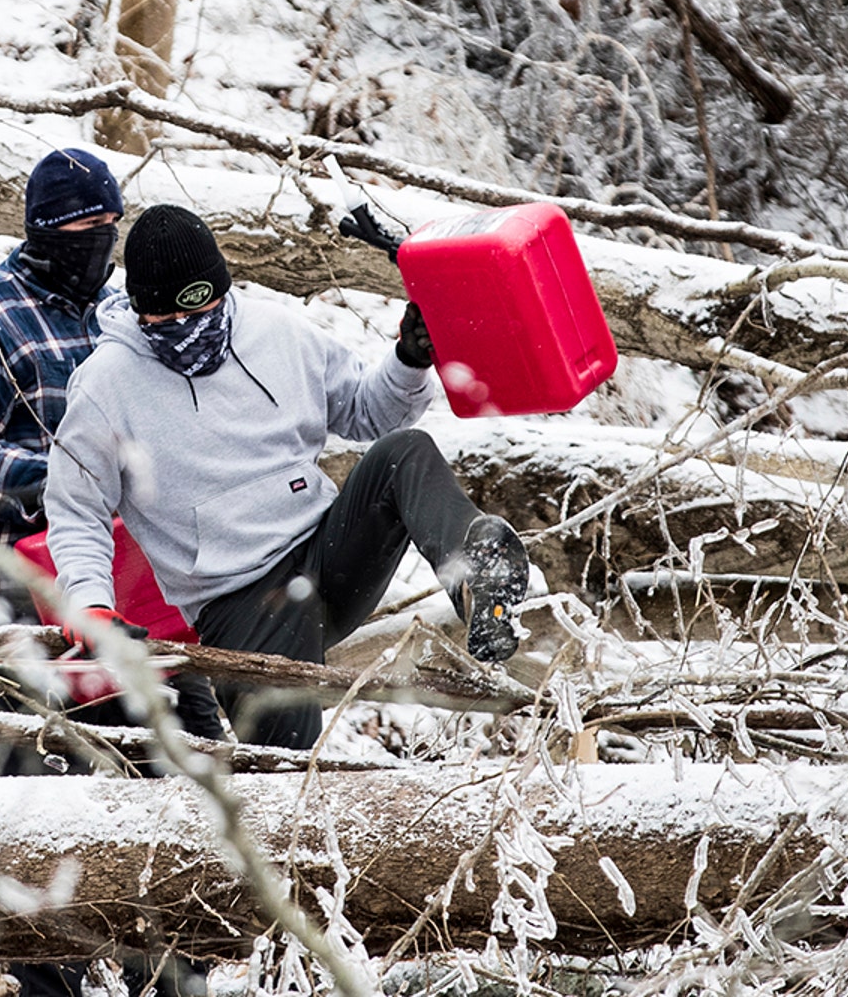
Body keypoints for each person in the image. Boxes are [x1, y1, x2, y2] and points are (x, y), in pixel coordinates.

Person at [43, 204, 531, 751]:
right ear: (140, 310)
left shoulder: (276, 332)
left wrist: (408, 362)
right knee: (284, 767)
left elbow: (370, 413)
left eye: (206, 308)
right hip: (237, 603)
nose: (192, 328)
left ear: (223, 292)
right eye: (170, 321)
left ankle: (477, 576)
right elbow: (76, 511)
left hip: (326, 556)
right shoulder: (105, 386)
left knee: (404, 452)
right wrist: (89, 604)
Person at [0, 154, 217, 997]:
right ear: (42, 232)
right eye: (80, 232)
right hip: (21, 598)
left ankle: (177, 969)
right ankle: (46, 983)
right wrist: (65, 481)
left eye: (107, 230)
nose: (97, 245)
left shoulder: (127, 314)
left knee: (177, 779)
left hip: (135, 596)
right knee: (39, 805)